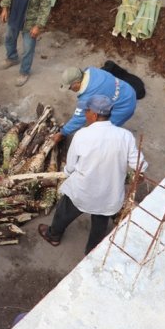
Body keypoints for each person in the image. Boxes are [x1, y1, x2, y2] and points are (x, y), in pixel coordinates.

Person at [38, 95, 147, 255]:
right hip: (109, 194)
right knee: (100, 223)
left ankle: (53, 235)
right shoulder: (125, 136)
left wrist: (67, 174)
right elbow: (140, 164)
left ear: (95, 115)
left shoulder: (82, 135)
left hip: (84, 190)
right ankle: (91, 252)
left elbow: (71, 166)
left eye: (87, 111)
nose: (85, 114)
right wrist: (137, 177)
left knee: (65, 209)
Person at [0, 0, 52, 87]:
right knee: (9, 38)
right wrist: (5, 8)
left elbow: (45, 6)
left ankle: (24, 72)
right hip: (15, 15)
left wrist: (38, 26)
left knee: (28, 48)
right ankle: (12, 58)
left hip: (30, 21)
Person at [52, 65, 137, 145]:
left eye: (70, 87)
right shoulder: (92, 71)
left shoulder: (87, 97)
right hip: (127, 90)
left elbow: (79, 118)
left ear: (77, 83)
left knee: (103, 131)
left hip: (124, 108)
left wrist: (63, 133)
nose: (70, 90)